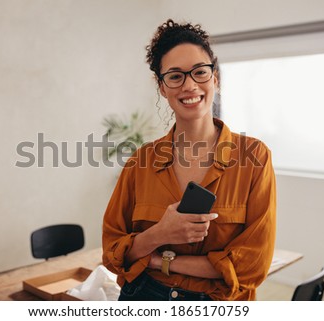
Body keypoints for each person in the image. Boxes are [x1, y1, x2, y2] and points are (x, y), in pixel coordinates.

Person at [102, 19, 276, 301]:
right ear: (162, 87)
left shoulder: (254, 157)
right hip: (143, 295)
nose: (190, 85)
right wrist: (159, 233)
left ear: (215, 79)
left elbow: (251, 267)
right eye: (175, 76)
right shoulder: (140, 162)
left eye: (200, 72)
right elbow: (112, 253)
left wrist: (160, 261)